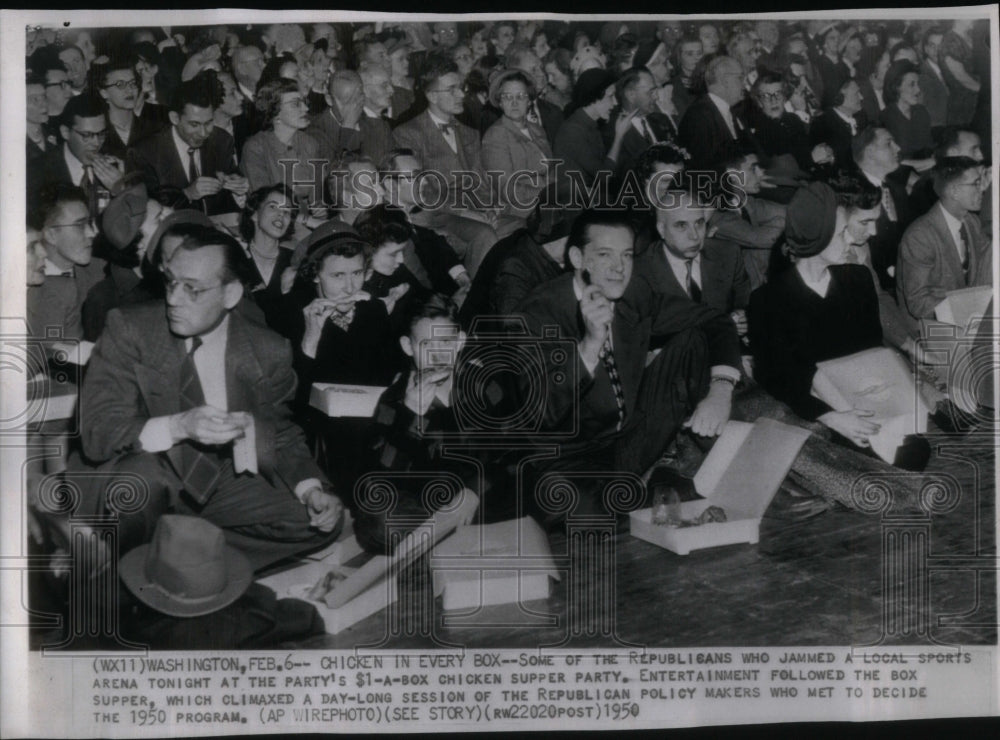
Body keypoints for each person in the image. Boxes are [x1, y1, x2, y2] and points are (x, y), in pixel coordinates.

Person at [77, 225, 344, 571]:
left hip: (218, 480)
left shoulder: (268, 349)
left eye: (193, 289)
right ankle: (151, 565)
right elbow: (97, 433)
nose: (173, 298)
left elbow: (280, 432)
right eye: (171, 281)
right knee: (141, 484)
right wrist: (179, 426)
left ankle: (177, 561)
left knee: (315, 522)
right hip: (146, 474)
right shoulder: (129, 329)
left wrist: (311, 489)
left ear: (231, 294)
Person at [516, 209, 742, 513]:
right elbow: (541, 412)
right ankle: (658, 486)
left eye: (626, 256)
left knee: (692, 339)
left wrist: (721, 389)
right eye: (605, 255)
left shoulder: (633, 292)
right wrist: (589, 345)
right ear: (577, 258)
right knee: (587, 507)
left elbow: (715, 321)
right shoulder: (537, 313)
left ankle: (673, 471)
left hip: (629, 435)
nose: (619, 268)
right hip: (572, 454)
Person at [748, 181, 884, 435]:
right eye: (843, 232)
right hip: (814, 412)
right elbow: (777, 379)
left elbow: (874, 350)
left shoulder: (858, 279)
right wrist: (831, 417)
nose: (851, 239)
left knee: (912, 450)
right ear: (816, 237)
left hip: (864, 399)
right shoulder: (768, 300)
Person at [392, 53, 515, 277]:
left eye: (461, 87)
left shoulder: (469, 132)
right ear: (431, 95)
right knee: (484, 234)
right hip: (435, 217)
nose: (461, 95)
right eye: (452, 90)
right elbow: (423, 193)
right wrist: (465, 212)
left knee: (517, 227)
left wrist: (490, 206)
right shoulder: (408, 134)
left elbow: (480, 178)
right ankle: (471, 302)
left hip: (472, 212)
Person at [126, 73, 247, 216]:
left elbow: (229, 202)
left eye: (208, 123)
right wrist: (187, 194)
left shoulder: (221, 141)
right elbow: (143, 208)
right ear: (175, 118)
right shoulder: (143, 153)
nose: (203, 133)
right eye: (194, 124)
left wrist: (238, 191)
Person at [897, 156, 992, 321]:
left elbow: (987, 267)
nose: (982, 189)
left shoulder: (972, 222)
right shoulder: (920, 236)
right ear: (954, 192)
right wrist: (971, 309)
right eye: (976, 183)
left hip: (967, 321)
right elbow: (918, 303)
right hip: (931, 329)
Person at [83, 181, 172, 341]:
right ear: (139, 243)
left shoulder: (171, 274)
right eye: (160, 219)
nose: (171, 217)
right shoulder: (105, 300)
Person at [26, 184, 104, 344]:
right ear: (51, 235)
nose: (92, 233)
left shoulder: (104, 272)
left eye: (89, 223)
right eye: (80, 226)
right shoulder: (26, 281)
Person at [28, 94, 123, 220]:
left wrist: (121, 191)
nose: (96, 143)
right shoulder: (38, 171)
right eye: (87, 135)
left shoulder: (115, 164)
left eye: (101, 134)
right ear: (65, 132)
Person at [481, 69, 552, 225]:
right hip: (519, 213)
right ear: (500, 102)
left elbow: (551, 172)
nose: (514, 103)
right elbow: (508, 189)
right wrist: (550, 196)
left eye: (520, 96)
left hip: (547, 206)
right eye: (507, 97)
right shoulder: (495, 135)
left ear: (529, 100)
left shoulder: (536, 129)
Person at [712, 149, 787, 290]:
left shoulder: (746, 202)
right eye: (753, 168)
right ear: (733, 175)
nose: (760, 174)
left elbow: (787, 211)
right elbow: (758, 238)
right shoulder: (717, 214)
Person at [851, 126, 911, 293]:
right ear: (870, 152)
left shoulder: (897, 189)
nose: (897, 148)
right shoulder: (851, 193)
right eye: (889, 143)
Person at [553, 68, 632, 189]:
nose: (615, 103)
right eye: (610, 96)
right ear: (594, 96)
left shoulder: (589, 124)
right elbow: (605, 176)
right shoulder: (573, 131)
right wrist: (619, 136)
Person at [677, 56, 758, 173]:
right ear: (725, 80)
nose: (744, 84)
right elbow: (702, 169)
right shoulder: (698, 117)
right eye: (740, 78)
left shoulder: (734, 111)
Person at [238, 184, 299, 334]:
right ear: (254, 214)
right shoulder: (236, 260)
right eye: (273, 207)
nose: (281, 215)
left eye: (287, 212)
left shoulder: (295, 262)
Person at [94, 53, 164, 161]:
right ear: (104, 93)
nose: (130, 90)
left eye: (132, 83)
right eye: (120, 84)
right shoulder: (97, 134)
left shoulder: (155, 129)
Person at [880, 60, 934, 168]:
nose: (918, 90)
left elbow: (930, 149)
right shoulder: (885, 118)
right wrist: (927, 163)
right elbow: (891, 161)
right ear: (897, 87)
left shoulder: (921, 112)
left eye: (917, 84)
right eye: (911, 85)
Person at [809, 78, 865, 170]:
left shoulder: (862, 118)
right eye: (856, 93)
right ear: (839, 98)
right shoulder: (822, 124)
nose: (861, 97)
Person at [939, 19, 979, 126]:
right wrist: (986, 91)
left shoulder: (969, 37)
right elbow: (961, 77)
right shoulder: (950, 41)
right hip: (963, 104)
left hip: (975, 101)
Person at [917, 27, 949, 133]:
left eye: (941, 46)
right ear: (926, 49)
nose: (937, 50)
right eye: (932, 46)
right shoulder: (920, 75)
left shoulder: (952, 71)